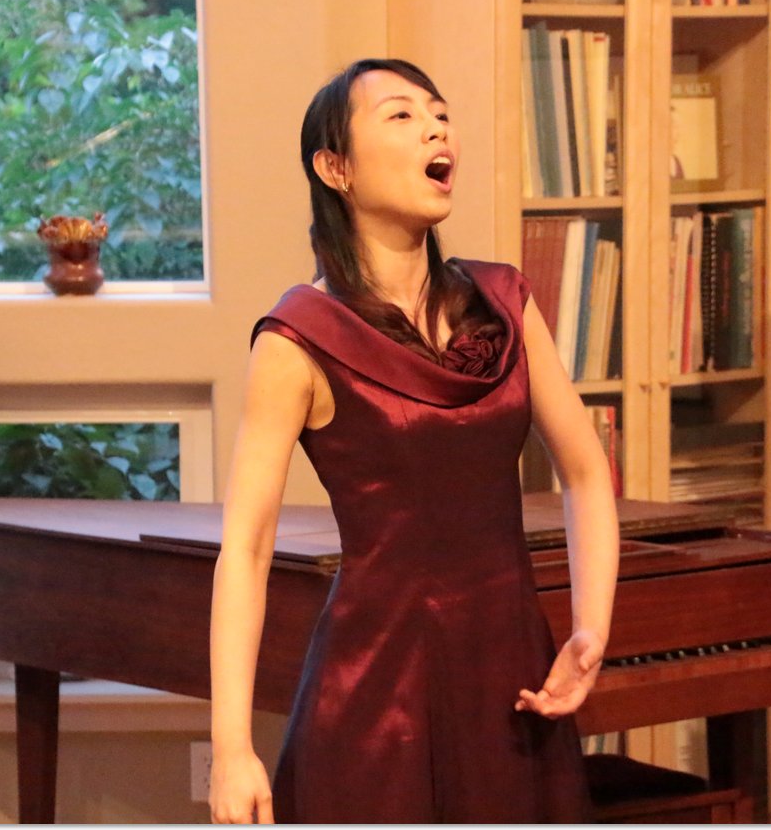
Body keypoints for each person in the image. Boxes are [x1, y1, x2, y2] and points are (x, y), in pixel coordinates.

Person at [208, 58, 620, 824]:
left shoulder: (505, 302)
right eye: (400, 115)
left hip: (511, 681)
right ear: (335, 168)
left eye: (439, 114)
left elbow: (587, 472)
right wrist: (231, 748)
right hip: (375, 691)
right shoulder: (297, 337)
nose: (435, 128)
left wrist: (589, 627)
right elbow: (249, 548)